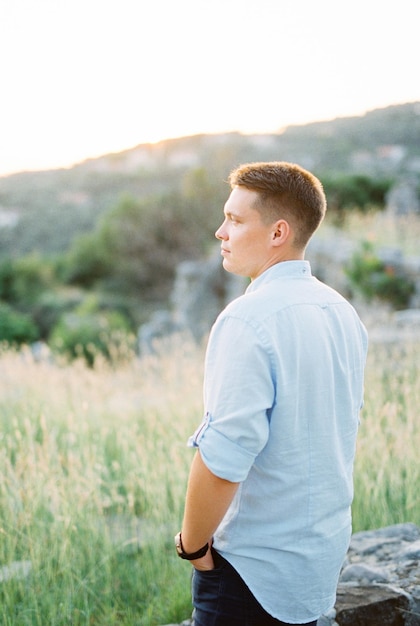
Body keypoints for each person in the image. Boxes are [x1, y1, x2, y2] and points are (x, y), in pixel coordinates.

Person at [175, 161, 368, 626]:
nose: (221, 231)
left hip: (252, 574)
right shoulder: (341, 312)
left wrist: (193, 545)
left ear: (278, 232)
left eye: (236, 220)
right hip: (317, 563)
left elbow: (223, 458)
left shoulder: (247, 319)